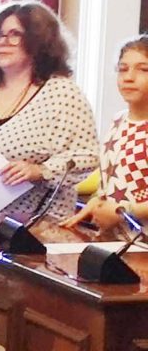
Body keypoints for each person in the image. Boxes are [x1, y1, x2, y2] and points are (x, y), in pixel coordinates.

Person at [0, 0, 99, 191]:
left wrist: (40, 170)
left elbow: (87, 156)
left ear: (39, 42)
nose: (3, 42)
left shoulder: (62, 93)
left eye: (15, 35)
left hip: (36, 217)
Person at [70, 34, 148, 235]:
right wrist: (97, 202)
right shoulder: (118, 120)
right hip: (114, 241)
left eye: (143, 70)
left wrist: (126, 211)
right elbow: (112, 179)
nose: (128, 77)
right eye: (123, 69)